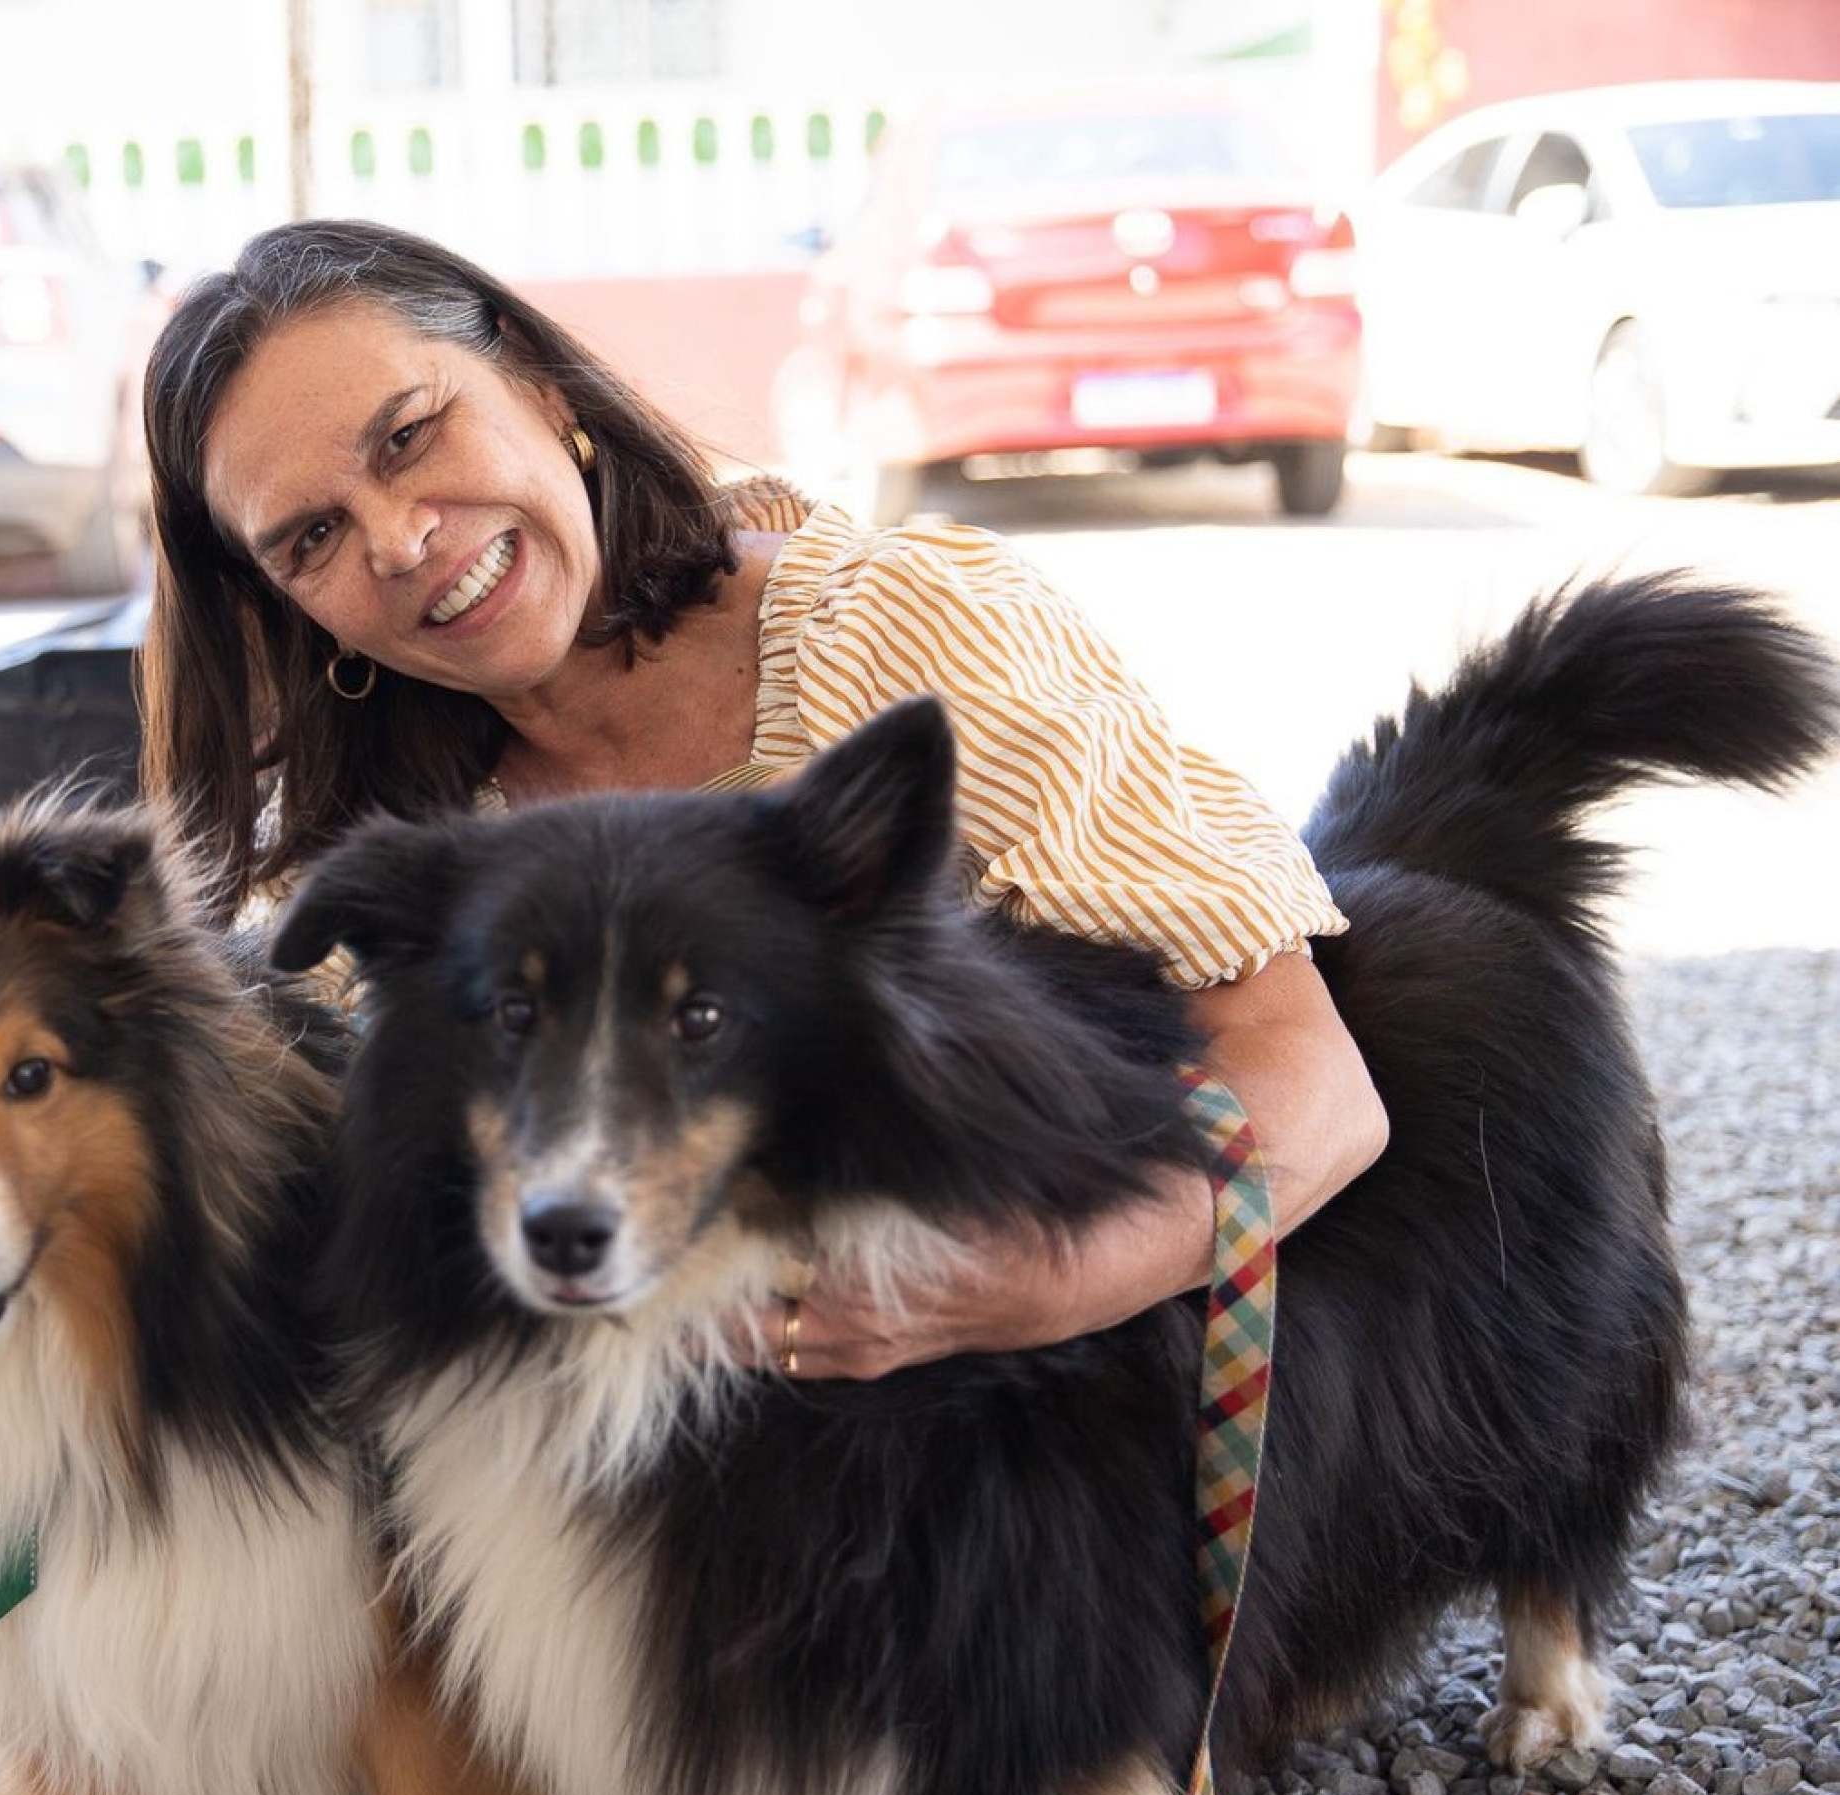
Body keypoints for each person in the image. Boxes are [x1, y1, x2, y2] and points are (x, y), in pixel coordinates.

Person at [136, 218, 1386, 1380]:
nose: (399, 540)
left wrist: (1042, 1281)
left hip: (1049, 1424)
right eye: (311, 537)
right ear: (283, 606)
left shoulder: (900, 641)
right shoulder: (374, 878)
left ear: (536, 384)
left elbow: (1312, 1082)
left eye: (409, 436)